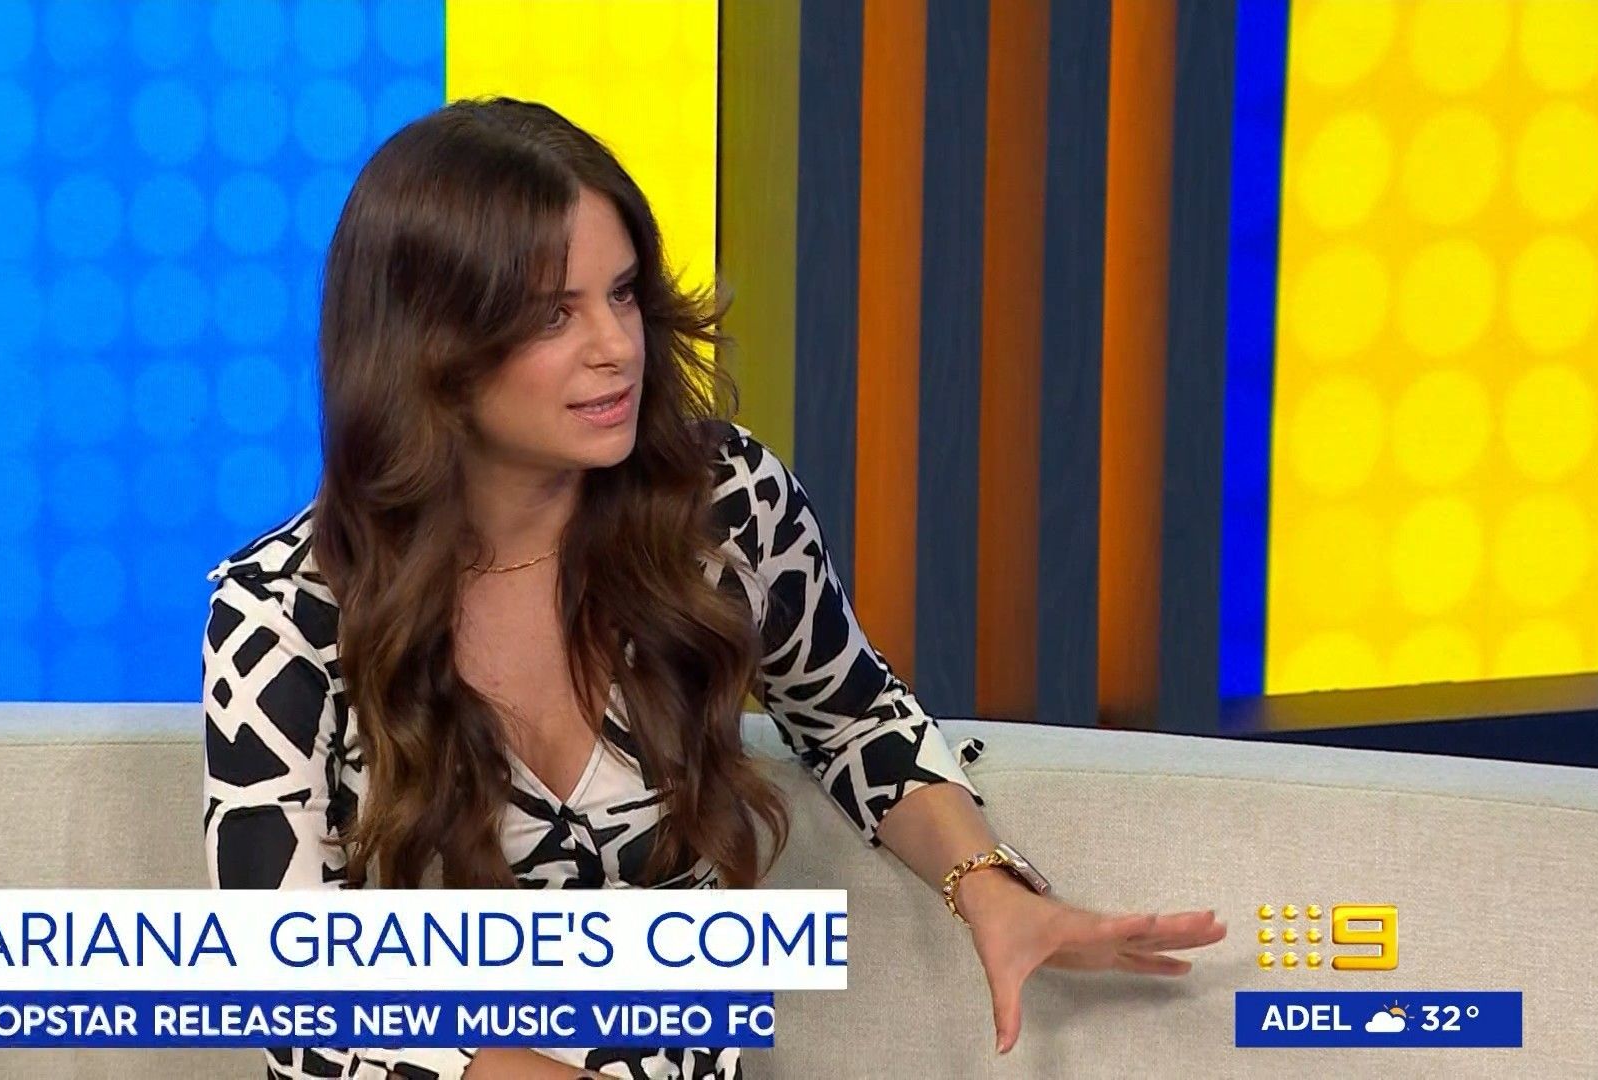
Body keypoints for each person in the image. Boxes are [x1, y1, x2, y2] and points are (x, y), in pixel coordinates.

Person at [201, 97, 1226, 1080]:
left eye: (622, 293)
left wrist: (989, 889)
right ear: (431, 345)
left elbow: (852, 716)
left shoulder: (722, 507)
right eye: (554, 314)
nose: (616, 346)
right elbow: (294, 999)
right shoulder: (280, 610)